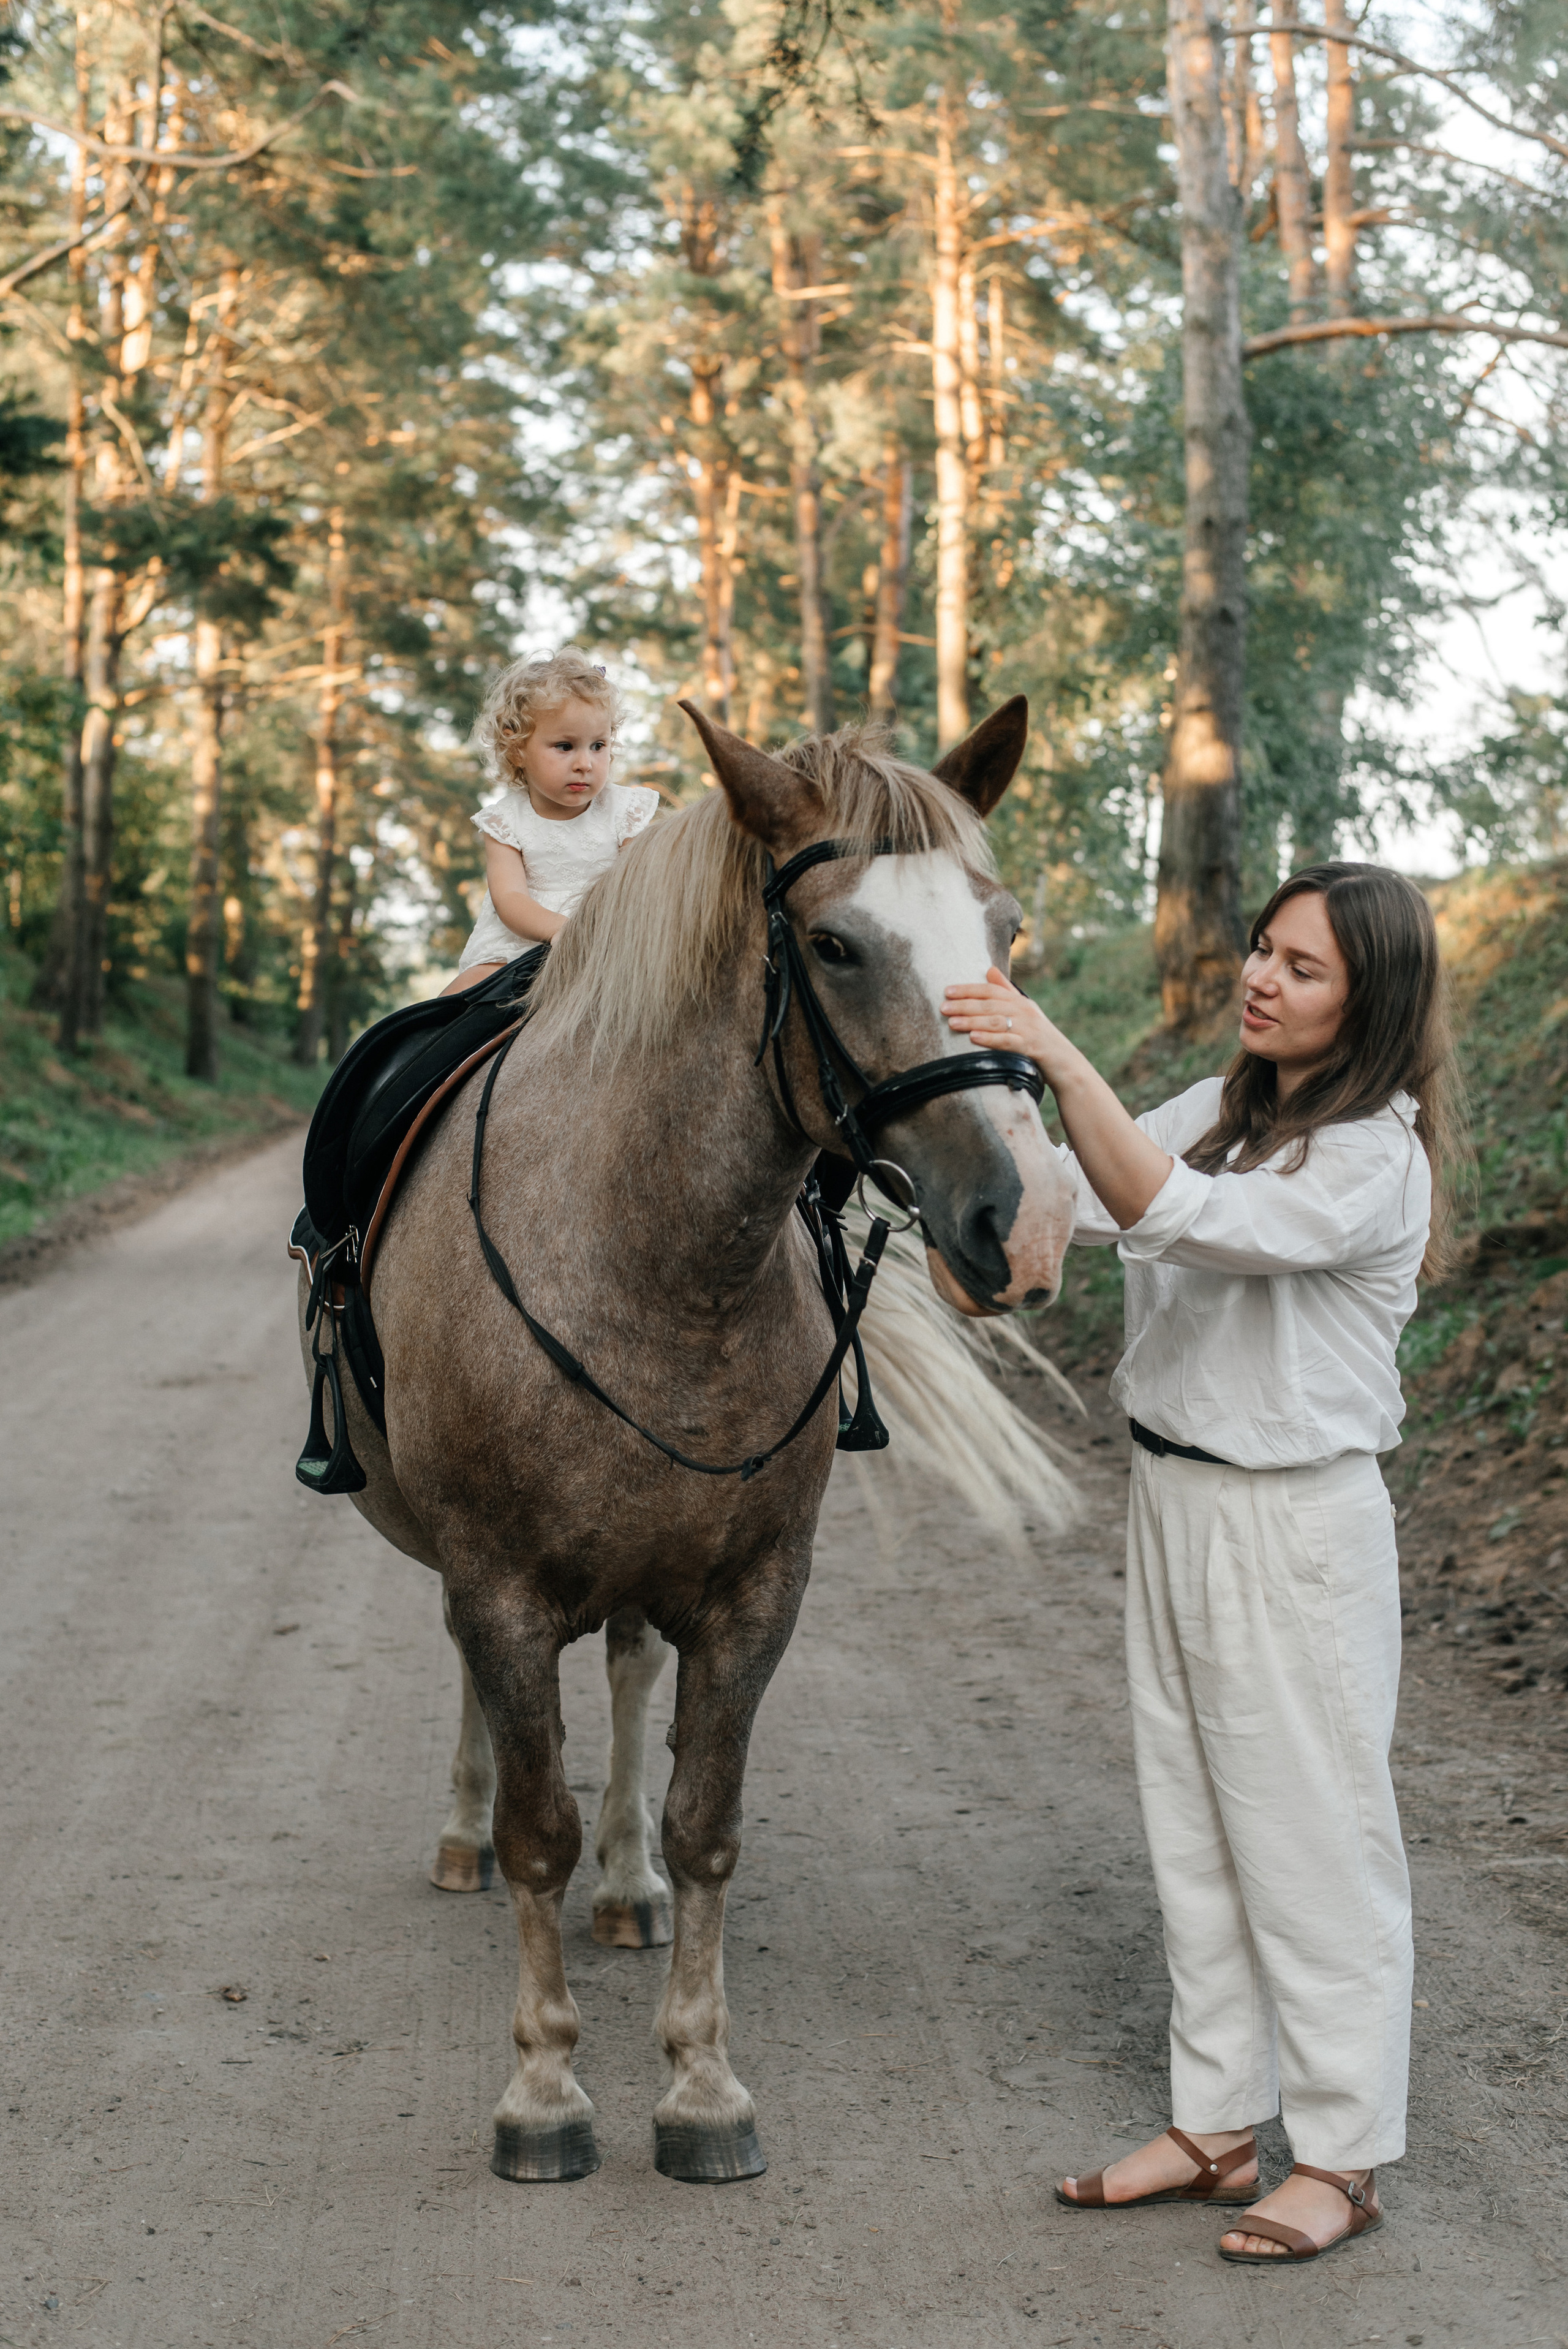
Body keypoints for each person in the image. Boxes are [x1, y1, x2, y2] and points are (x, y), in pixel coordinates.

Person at [943, 863, 1461, 2267]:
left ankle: (1343, 2155)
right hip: (1171, 1498)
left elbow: (1170, 1209)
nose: (1258, 976)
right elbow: (1083, 1192)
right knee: (1196, 1834)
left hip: (1289, 1526)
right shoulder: (1235, 1106)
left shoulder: (1368, 1154)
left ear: (1371, 1001)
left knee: (1312, 1847)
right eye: (1259, 947)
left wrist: (1052, 1048)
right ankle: (1217, 2125)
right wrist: (943, 1126)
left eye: (1301, 966)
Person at [442, 646, 658, 995]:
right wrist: (564, 931)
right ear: (518, 749)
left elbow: (641, 885)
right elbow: (510, 898)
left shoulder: (625, 809)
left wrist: (600, 936)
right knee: (454, 1003)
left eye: (598, 746)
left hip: (609, 941)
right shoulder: (505, 822)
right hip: (519, 946)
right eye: (564, 746)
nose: (585, 763)